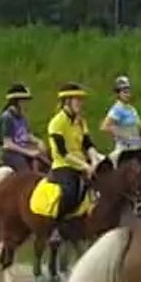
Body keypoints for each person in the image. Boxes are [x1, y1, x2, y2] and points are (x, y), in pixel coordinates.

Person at [45, 83, 101, 227]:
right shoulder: (56, 123)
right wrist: (85, 166)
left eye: (81, 100)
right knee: (70, 191)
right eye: (77, 100)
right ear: (67, 101)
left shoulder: (81, 121)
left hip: (82, 163)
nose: (81, 104)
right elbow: (62, 153)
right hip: (63, 166)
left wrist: (95, 160)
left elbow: (88, 144)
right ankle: (56, 226)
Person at [101, 75, 141, 161]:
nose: (127, 94)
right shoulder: (117, 109)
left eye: (128, 92)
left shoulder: (131, 109)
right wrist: (123, 134)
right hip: (124, 149)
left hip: (137, 147)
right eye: (124, 92)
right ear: (118, 94)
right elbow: (105, 126)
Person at [0, 83, 47, 172]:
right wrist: (29, 152)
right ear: (17, 102)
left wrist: (39, 142)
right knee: (25, 171)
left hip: (23, 148)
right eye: (24, 101)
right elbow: (8, 143)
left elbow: (27, 135)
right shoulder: (7, 118)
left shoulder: (22, 117)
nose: (26, 104)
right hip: (11, 153)